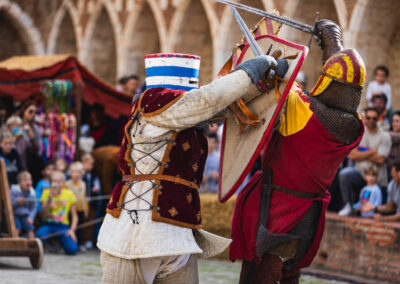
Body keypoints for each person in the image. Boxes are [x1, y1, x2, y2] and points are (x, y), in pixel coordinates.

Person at [97, 50, 277, 283]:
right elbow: (207, 100)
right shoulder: (153, 109)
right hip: (135, 231)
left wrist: (264, 83)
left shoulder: (183, 116)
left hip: (178, 235)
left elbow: (229, 105)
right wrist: (249, 71)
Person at [230, 20, 366, 283]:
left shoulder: (304, 112)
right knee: (290, 275)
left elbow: (283, 83)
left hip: (277, 211)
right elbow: (334, 86)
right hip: (308, 216)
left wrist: (269, 63)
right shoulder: (352, 124)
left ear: (327, 83)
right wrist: (331, 38)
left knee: (261, 274)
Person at [338, 107, 391, 216]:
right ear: (365, 118)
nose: (371, 120)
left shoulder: (384, 136)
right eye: (368, 118)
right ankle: (349, 205)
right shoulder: (360, 133)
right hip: (359, 174)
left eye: (374, 118)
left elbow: (380, 159)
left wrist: (361, 153)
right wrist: (372, 151)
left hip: (376, 178)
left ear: (378, 119)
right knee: (344, 174)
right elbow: (352, 155)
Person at [36, 171, 78, 255]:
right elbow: (43, 215)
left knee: (72, 249)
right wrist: (49, 199)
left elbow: (74, 216)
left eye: (59, 181)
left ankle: (58, 244)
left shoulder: (69, 194)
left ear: (63, 183)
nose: (57, 184)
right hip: (48, 224)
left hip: (62, 226)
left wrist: (72, 230)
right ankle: (52, 244)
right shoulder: (46, 193)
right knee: (39, 237)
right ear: (50, 183)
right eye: (54, 181)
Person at [66, 161, 88, 251]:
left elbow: (84, 197)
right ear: (70, 173)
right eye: (74, 172)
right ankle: (70, 242)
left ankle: (80, 243)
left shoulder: (83, 184)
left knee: (80, 227)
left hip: (80, 209)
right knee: (71, 225)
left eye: (79, 172)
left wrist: (86, 209)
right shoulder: (67, 184)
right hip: (70, 210)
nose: (76, 174)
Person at [82, 153, 102, 246]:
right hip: (82, 202)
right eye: (87, 164)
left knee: (91, 221)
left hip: (92, 202)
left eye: (91, 164)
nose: (89, 166)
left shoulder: (94, 177)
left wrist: (96, 189)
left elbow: (97, 187)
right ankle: (82, 240)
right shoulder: (81, 175)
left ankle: (89, 240)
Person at [10, 171, 36, 239]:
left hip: (25, 215)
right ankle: (14, 243)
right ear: (19, 183)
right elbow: (8, 205)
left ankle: (32, 245)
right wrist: (17, 202)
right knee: (17, 228)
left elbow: (33, 208)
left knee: (30, 229)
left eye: (29, 180)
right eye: (25, 180)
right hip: (14, 215)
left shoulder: (32, 193)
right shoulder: (14, 191)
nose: (28, 182)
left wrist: (31, 217)